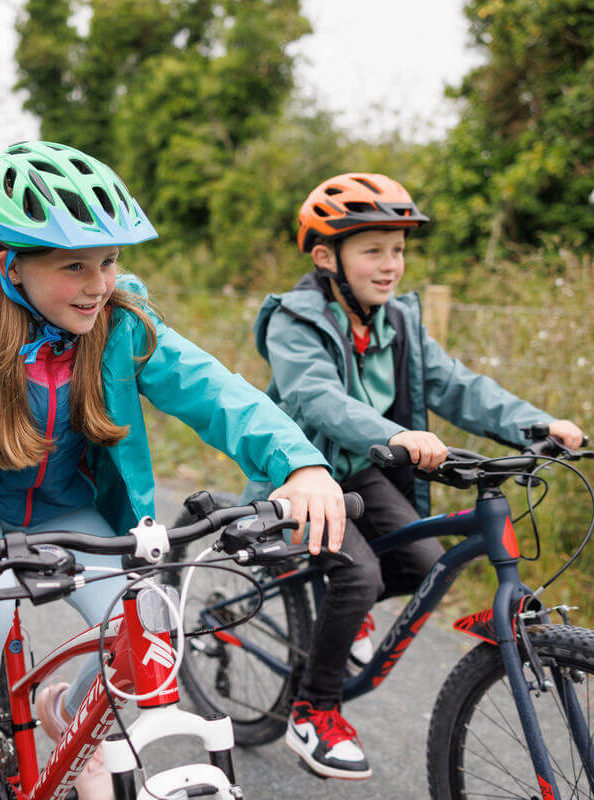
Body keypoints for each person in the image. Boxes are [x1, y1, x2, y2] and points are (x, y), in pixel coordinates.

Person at [0, 141, 348, 800]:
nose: (99, 285)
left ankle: (72, 724)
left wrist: (299, 463)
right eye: (75, 266)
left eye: (110, 261)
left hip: (71, 508)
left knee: (145, 623)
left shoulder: (119, 318)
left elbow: (209, 387)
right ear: (9, 261)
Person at [242, 172, 586, 780]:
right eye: (373, 249)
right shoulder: (293, 320)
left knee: (426, 562)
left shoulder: (398, 320)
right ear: (327, 257)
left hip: (361, 474)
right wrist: (393, 434)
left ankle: (344, 618)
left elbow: (456, 386)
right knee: (357, 575)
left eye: (398, 249)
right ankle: (313, 709)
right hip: (302, 471)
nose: (391, 264)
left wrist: (538, 425)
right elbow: (315, 396)